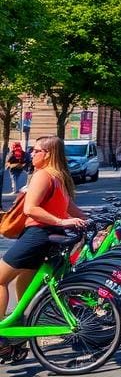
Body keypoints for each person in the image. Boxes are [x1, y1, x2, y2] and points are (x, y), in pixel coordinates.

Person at [0, 136, 87, 354]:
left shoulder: (43, 175)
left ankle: (1, 337)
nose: (32, 154)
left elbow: (31, 209)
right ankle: (17, 333)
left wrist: (62, 221)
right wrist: (87, 220)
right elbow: (71, 209)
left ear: (47, 154)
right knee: (24, 285)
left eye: (36, 150)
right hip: (48, 237)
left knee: (0, 280)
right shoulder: (60, 178)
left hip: (37, 235)